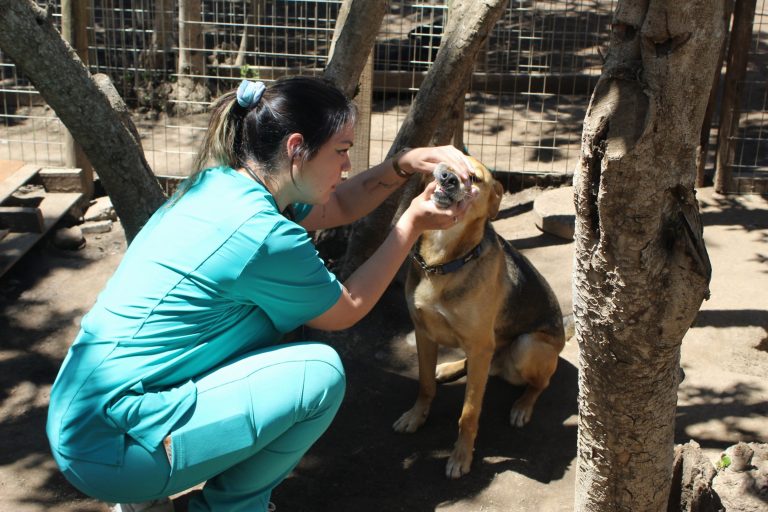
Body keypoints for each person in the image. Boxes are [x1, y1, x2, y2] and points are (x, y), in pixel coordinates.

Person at [46, 76, 474, 512]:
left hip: (82, 416)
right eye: (341, 151)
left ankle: (147, 495)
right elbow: (348, 309)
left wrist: (403, 164)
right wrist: (410, 225)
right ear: (296, 148)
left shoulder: (221, 184)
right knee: (318, 375)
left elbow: (342, 205)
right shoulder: (262, 235)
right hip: (111, 447)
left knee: (264, 321)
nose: (347, 165)